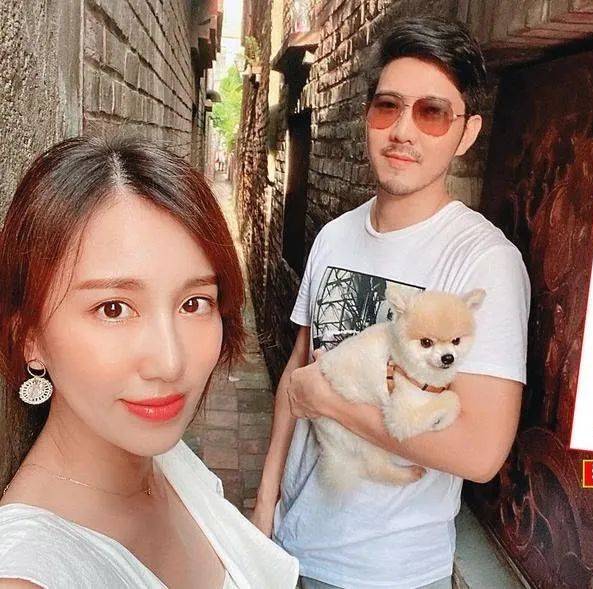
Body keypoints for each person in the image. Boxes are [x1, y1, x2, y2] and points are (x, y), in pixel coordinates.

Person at [251, 17, 530, 589]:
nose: (403, 131)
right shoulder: (334, 237)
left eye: (432, 113)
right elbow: (297, 374)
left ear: (467, 133)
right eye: (388, 107)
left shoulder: (483, 261)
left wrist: (331, 403)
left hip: (393, 572)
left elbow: (480, 452)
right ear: (368, 118)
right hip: (294, 543)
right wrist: (265, 502)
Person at [0, 137, 299, 588]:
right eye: (113, 309)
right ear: (29, 338)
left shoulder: (169, 461)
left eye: (194, 303)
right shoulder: (29, 576)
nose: (171, 362)